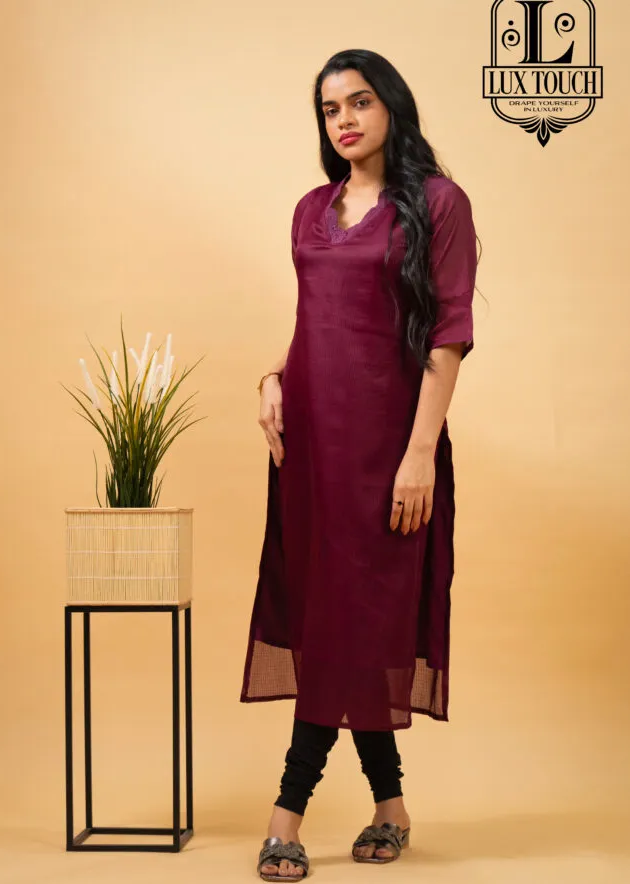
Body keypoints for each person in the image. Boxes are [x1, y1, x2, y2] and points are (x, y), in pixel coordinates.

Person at [240, 48, 481, 881]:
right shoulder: (313, 209)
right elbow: (317, 318)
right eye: (330, 108)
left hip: (388, 446)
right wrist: (272, 376)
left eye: (360, 101)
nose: (343, 119)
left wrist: (419, 455)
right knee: (335, 617)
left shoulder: (439, 204)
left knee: (357, 615)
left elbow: (448, 334)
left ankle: (286, 812)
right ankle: (391, 807)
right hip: (312, 447)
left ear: (392, 106)